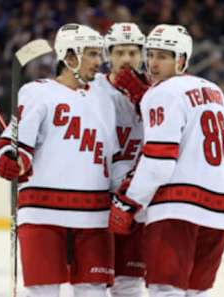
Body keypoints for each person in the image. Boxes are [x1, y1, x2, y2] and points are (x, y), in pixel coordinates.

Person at [108, 24, 224, 297]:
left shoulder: (161, 93)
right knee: (197, 292)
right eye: (152, 54)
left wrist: (129, 202)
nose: (152, 63)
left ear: (181, 60)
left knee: (165, 290)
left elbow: (159, 162)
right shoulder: (213, 90)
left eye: (163, 56)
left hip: (176, 210)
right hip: (220, 210)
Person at [0, 24, 118, 297]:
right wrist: (12, 159)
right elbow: (13, 143)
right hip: (43, 212)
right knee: (43, 292)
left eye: (99, 54)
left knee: (94, 291)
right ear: (70, 57)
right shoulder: (39, 92)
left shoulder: (106, 97)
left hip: (95, 215)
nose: (99, 62)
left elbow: (115, 154)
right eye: (91, 54)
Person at [91, 22, 148, 297]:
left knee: (129, 283)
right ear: (108, 54)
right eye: (120, 52)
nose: (127, 59)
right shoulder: (92, 89)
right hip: (96, 199)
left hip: (134, 201)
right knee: (91, 283)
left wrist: (144, 97)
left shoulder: (160, 93)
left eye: (133, 52)